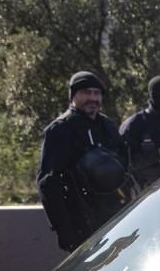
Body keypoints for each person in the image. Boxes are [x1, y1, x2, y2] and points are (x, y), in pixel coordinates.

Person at [38, 71, 130, 252]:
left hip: (114, 215)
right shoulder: (60, 130)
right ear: (74, 95)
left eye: (97, 93)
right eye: (86, 93)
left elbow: (124, 167)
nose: (93, 98)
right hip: (80, 218)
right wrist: (63, 228)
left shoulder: (108, 126)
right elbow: (48, 182)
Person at [119, 76, 160, 189]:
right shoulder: (134, 124)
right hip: (145, 195)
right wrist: (157, 154)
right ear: (154, 95)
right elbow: (124, 163)